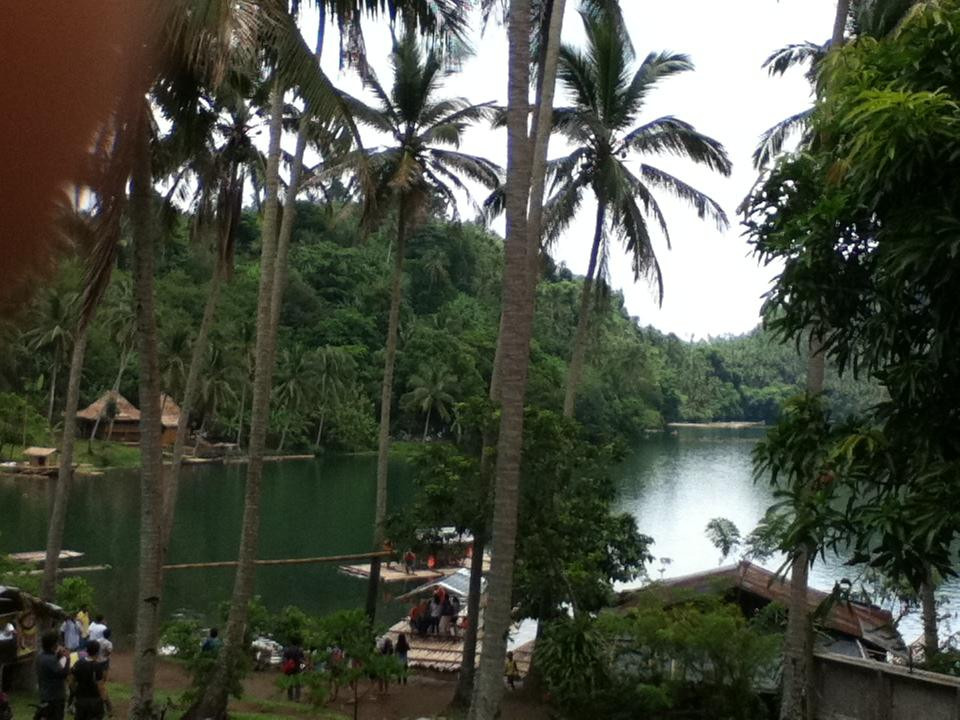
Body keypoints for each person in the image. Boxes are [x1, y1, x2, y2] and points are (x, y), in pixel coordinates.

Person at [70, 640, 108, 720]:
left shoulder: (78, 663)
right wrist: (106, 702)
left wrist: (76, 692)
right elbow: (100, 687)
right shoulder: (97, 666)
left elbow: (71, 682)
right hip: (94, 702)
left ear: (87, 650)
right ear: (97, 652)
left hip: (81, 700)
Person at [36, 630, 69, 720]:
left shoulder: (40, 656)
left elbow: (51, 669)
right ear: (53, 645)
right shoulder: (50, 659)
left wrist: (58, 656)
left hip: (45, 694)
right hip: (55, 697)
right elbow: (63, 674)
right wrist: (67, 659)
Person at [281, 637, 305, 702]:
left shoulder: (287, 650)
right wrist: (302, 669)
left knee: (290, 683)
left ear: (291, 643)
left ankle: (290, 697)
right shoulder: (299, 651)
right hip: (297, 669)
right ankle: (297, 698)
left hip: (289, 669)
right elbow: (302, 661)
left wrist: (285, 668)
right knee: (297, 684)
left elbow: (284, 660)